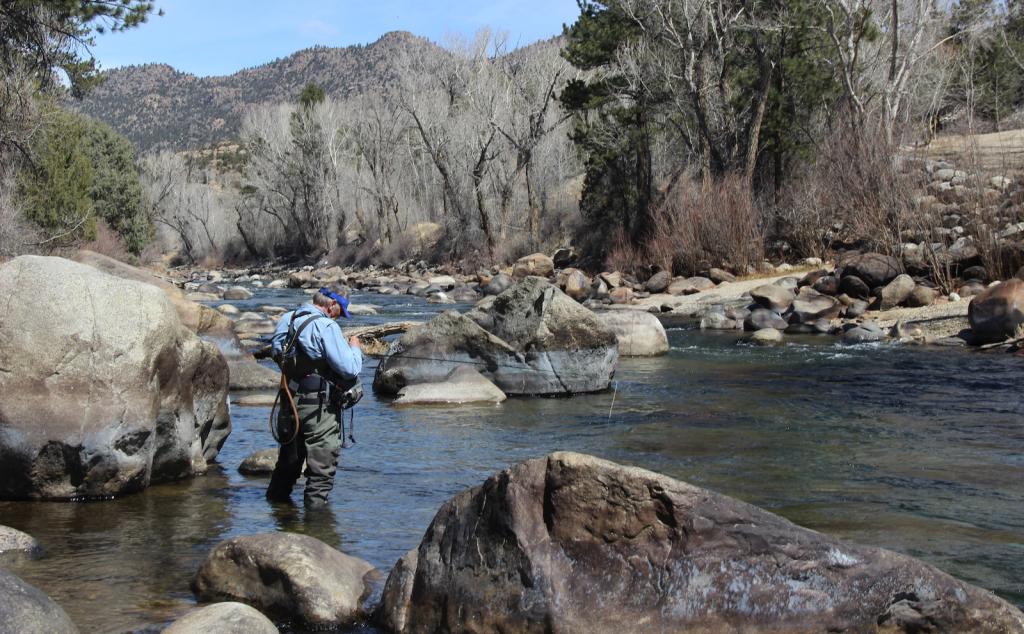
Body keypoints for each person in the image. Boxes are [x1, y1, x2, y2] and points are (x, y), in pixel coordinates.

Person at [266, 283, 362, 507]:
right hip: (319, 410)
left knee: (287, 465)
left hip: (289, 404)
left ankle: (278, 516)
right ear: (332, 305)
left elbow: (276, 353)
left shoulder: (287, 319)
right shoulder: (326, 326)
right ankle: (317, 530)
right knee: (321, 473)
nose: (339, 318)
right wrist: (355, 348)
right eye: (341, 312)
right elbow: (349, 368)